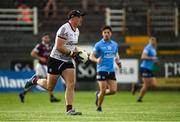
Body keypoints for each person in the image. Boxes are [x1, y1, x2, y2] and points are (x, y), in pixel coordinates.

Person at [23, 10, 85, 115]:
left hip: (67, 61)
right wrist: (72, 54)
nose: (81, 19)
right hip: (55, 60)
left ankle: (69, 110)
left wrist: (79, 53)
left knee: (71, 84)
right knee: (49, 87)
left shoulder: (77, 31)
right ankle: (35, 80)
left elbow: (72, 46)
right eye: (80, 17)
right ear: (73, 18)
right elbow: (59, 46)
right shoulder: (64, 29)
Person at [19, 33, 60, 103]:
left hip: (47, 65)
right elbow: (32, 53)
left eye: (47, 38)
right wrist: (40, 58)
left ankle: (23, 93)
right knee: (48, 80)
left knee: (37, 82)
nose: (47, 39)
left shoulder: (51, 46)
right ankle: (52, 97)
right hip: (41, 66)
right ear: (42, 38)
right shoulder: (40, 46)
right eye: (45, 38)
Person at [89, 26, 121, 112]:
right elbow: (91, 56)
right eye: (105, 32)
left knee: (113, 90)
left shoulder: (115, 44)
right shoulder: (98, 44)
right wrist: (96, 60)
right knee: (103, 89)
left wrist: (118, 62)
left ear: (111, 34)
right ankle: (99, 107)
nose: (106, 34)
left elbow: (116, 55)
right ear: (102, 34)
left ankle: (98, 94)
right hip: (101, 70)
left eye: (108, 32)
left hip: (111, 71)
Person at [137, 36, 158, 102]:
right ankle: (139, 98)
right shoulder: (147, 47)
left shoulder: (153, 48)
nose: (153, 41)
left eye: (154, 40)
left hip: (149, 68)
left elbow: (153, 58)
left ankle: (137, 85)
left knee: (154, 84)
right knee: (146, 85)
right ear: (149, 41)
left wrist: (155, 61)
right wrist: (152, 58)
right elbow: (143, 56)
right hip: (144, 67)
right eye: (151, 40)